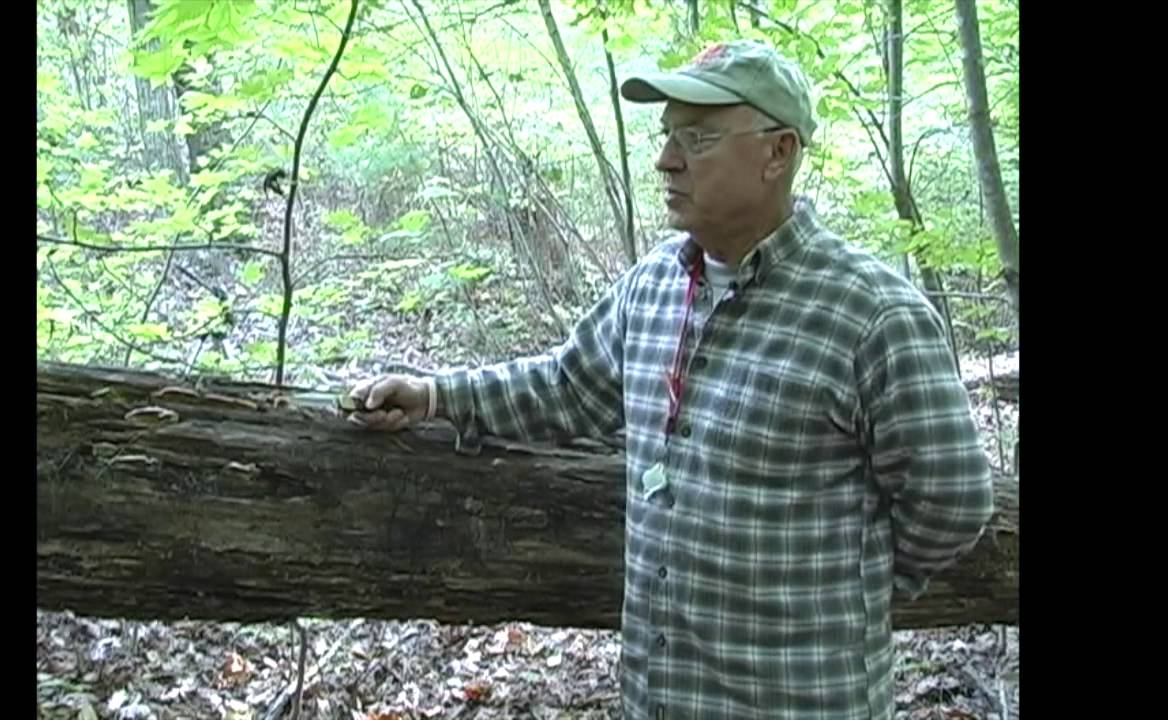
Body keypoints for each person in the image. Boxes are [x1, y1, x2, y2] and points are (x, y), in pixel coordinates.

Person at [348, 39, 994, 720]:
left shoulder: (871, 316)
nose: (666, 159)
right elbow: (568, 387)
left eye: (698, 138)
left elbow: (951, 501)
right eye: (667, 136)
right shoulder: (656, 284)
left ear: (778, 153)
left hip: (802, 699)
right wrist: (438, 396)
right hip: (661, 697)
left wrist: (850, 591)